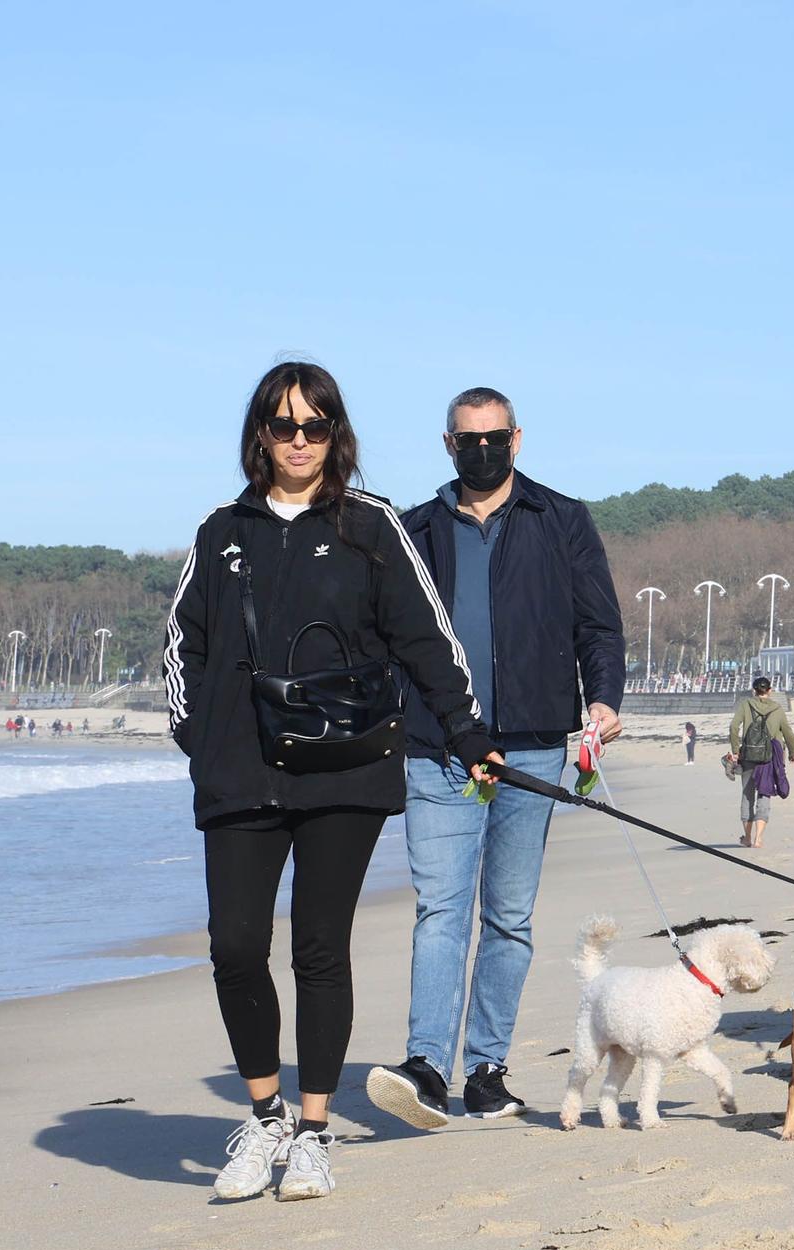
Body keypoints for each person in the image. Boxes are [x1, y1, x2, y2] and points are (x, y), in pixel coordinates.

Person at [163, 361, 500, 1201]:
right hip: (240, 770)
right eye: (284, 426)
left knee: (319, 947)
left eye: (316, 426)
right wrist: (202, 741)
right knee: (235, 945)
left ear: (336, 433)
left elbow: (427, 638)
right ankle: (265, 1116)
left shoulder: (369, 525)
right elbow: (183, 649)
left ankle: (312, 1133)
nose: (300, 441)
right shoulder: (221, 530)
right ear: (261, 435)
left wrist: (467, 734)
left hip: (344, 768)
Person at [367, 387, 626, 1132]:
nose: (480, 448)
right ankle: (425, 1065)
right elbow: (387, 637)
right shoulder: (414, 528)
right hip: (439, 749)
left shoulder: (562, 519)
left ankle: (486, 1069)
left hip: (537, 746)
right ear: (448, 444)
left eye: (493, 436)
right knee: (442, 909)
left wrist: (603, 696)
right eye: (466, 438)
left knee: (509, 916)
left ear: (517, 438)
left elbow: (598, 624)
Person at [729, 676, 794, 847]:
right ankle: (759, 837)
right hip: (769, 758)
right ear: (769, 690)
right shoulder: (777, 709)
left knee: (747, 795)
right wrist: (792, 752)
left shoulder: (746, 705)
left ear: (754, 690)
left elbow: (733, 726)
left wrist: (736, 750)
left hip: (749, 756)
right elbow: (788, 732)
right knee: (764, 793)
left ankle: (747, 838)